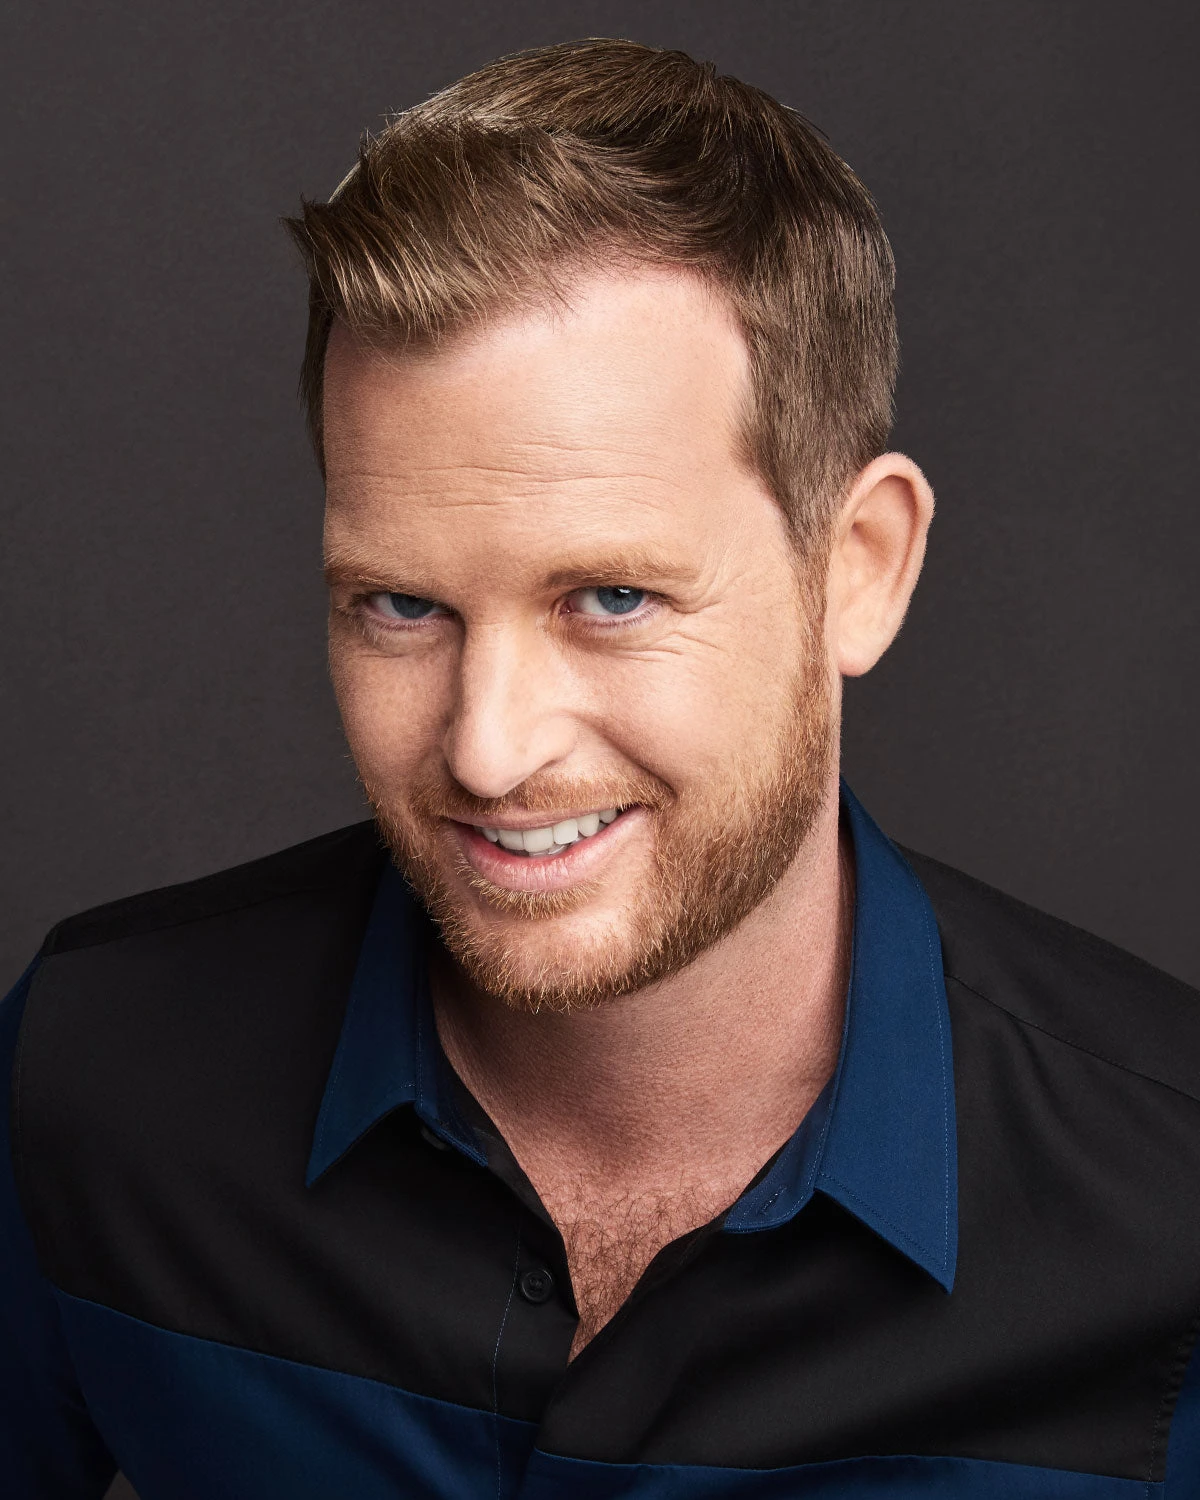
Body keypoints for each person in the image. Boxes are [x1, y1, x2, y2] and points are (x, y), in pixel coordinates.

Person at [3, 37, 1199, 1500]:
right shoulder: (92, 1078)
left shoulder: (1173, 1214)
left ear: (861, 569)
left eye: (611, 598)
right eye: (402, 605)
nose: (488, 747)